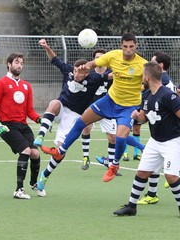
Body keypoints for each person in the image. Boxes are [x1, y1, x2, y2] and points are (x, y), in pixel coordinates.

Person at [39, 32, 148, 189]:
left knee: (120, 138)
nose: (128, 50)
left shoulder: (142, 65)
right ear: (121, 46)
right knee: (81, 122)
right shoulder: (113, 56)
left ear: (136, 46)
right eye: (125, 47)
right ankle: (60, 151)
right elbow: (92, 64)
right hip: (109, 101)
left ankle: (114, 165)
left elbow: (151, 82)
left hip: (128, 107)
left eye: (131, 47)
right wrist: (85, 67)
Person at [33, 39, 112, 188]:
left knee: (61, 150)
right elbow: (54, 58)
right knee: (54, 103)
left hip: (74, 115)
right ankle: (41, 135)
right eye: (75, 71)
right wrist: (46, 47)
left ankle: (45, 176)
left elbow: (111, 76)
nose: (76, 74)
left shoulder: (94, 78)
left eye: (80, 72)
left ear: (87, 72)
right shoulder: (68, 70)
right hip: (61, 107)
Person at [113, 61, 180, 216]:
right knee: (142, 172)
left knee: (171, 176)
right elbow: (144, 118)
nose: (141, 78)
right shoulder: (147, 95)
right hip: (155, 141)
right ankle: (131, 206)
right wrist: (138, 117)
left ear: (148, 77)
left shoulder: (168, 96)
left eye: (143, 75)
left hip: (173, 141)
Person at [0, 52, 46, 200]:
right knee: (26, 150)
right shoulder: (1, 83)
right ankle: (18, 190)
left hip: (23, 125)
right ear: (9, 64)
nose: (19, 65)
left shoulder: (26, 86)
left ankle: (34, 184)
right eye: (16, 62)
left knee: (35, 153)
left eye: (21, 63)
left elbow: (30, 111)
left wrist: (40, 120)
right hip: (7, 126)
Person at [137, 50, 177, 204]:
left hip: (170, 132)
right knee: (153, 163)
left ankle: (153, 193)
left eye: (152, 62)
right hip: (159, 130)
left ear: (160, 66)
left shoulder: (162, 82)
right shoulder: (160, 83)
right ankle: (151, 194)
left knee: (168, 171)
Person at [81, 49, 117, 171]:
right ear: (93, 59)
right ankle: (86, 157)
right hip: (92, 107)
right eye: (97, 57)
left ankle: (111, 165)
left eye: (101, 57)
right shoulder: (89, 74)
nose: (99, 59)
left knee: (113, 137)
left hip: (107, 108)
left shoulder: (111, 74)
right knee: (86, 127)